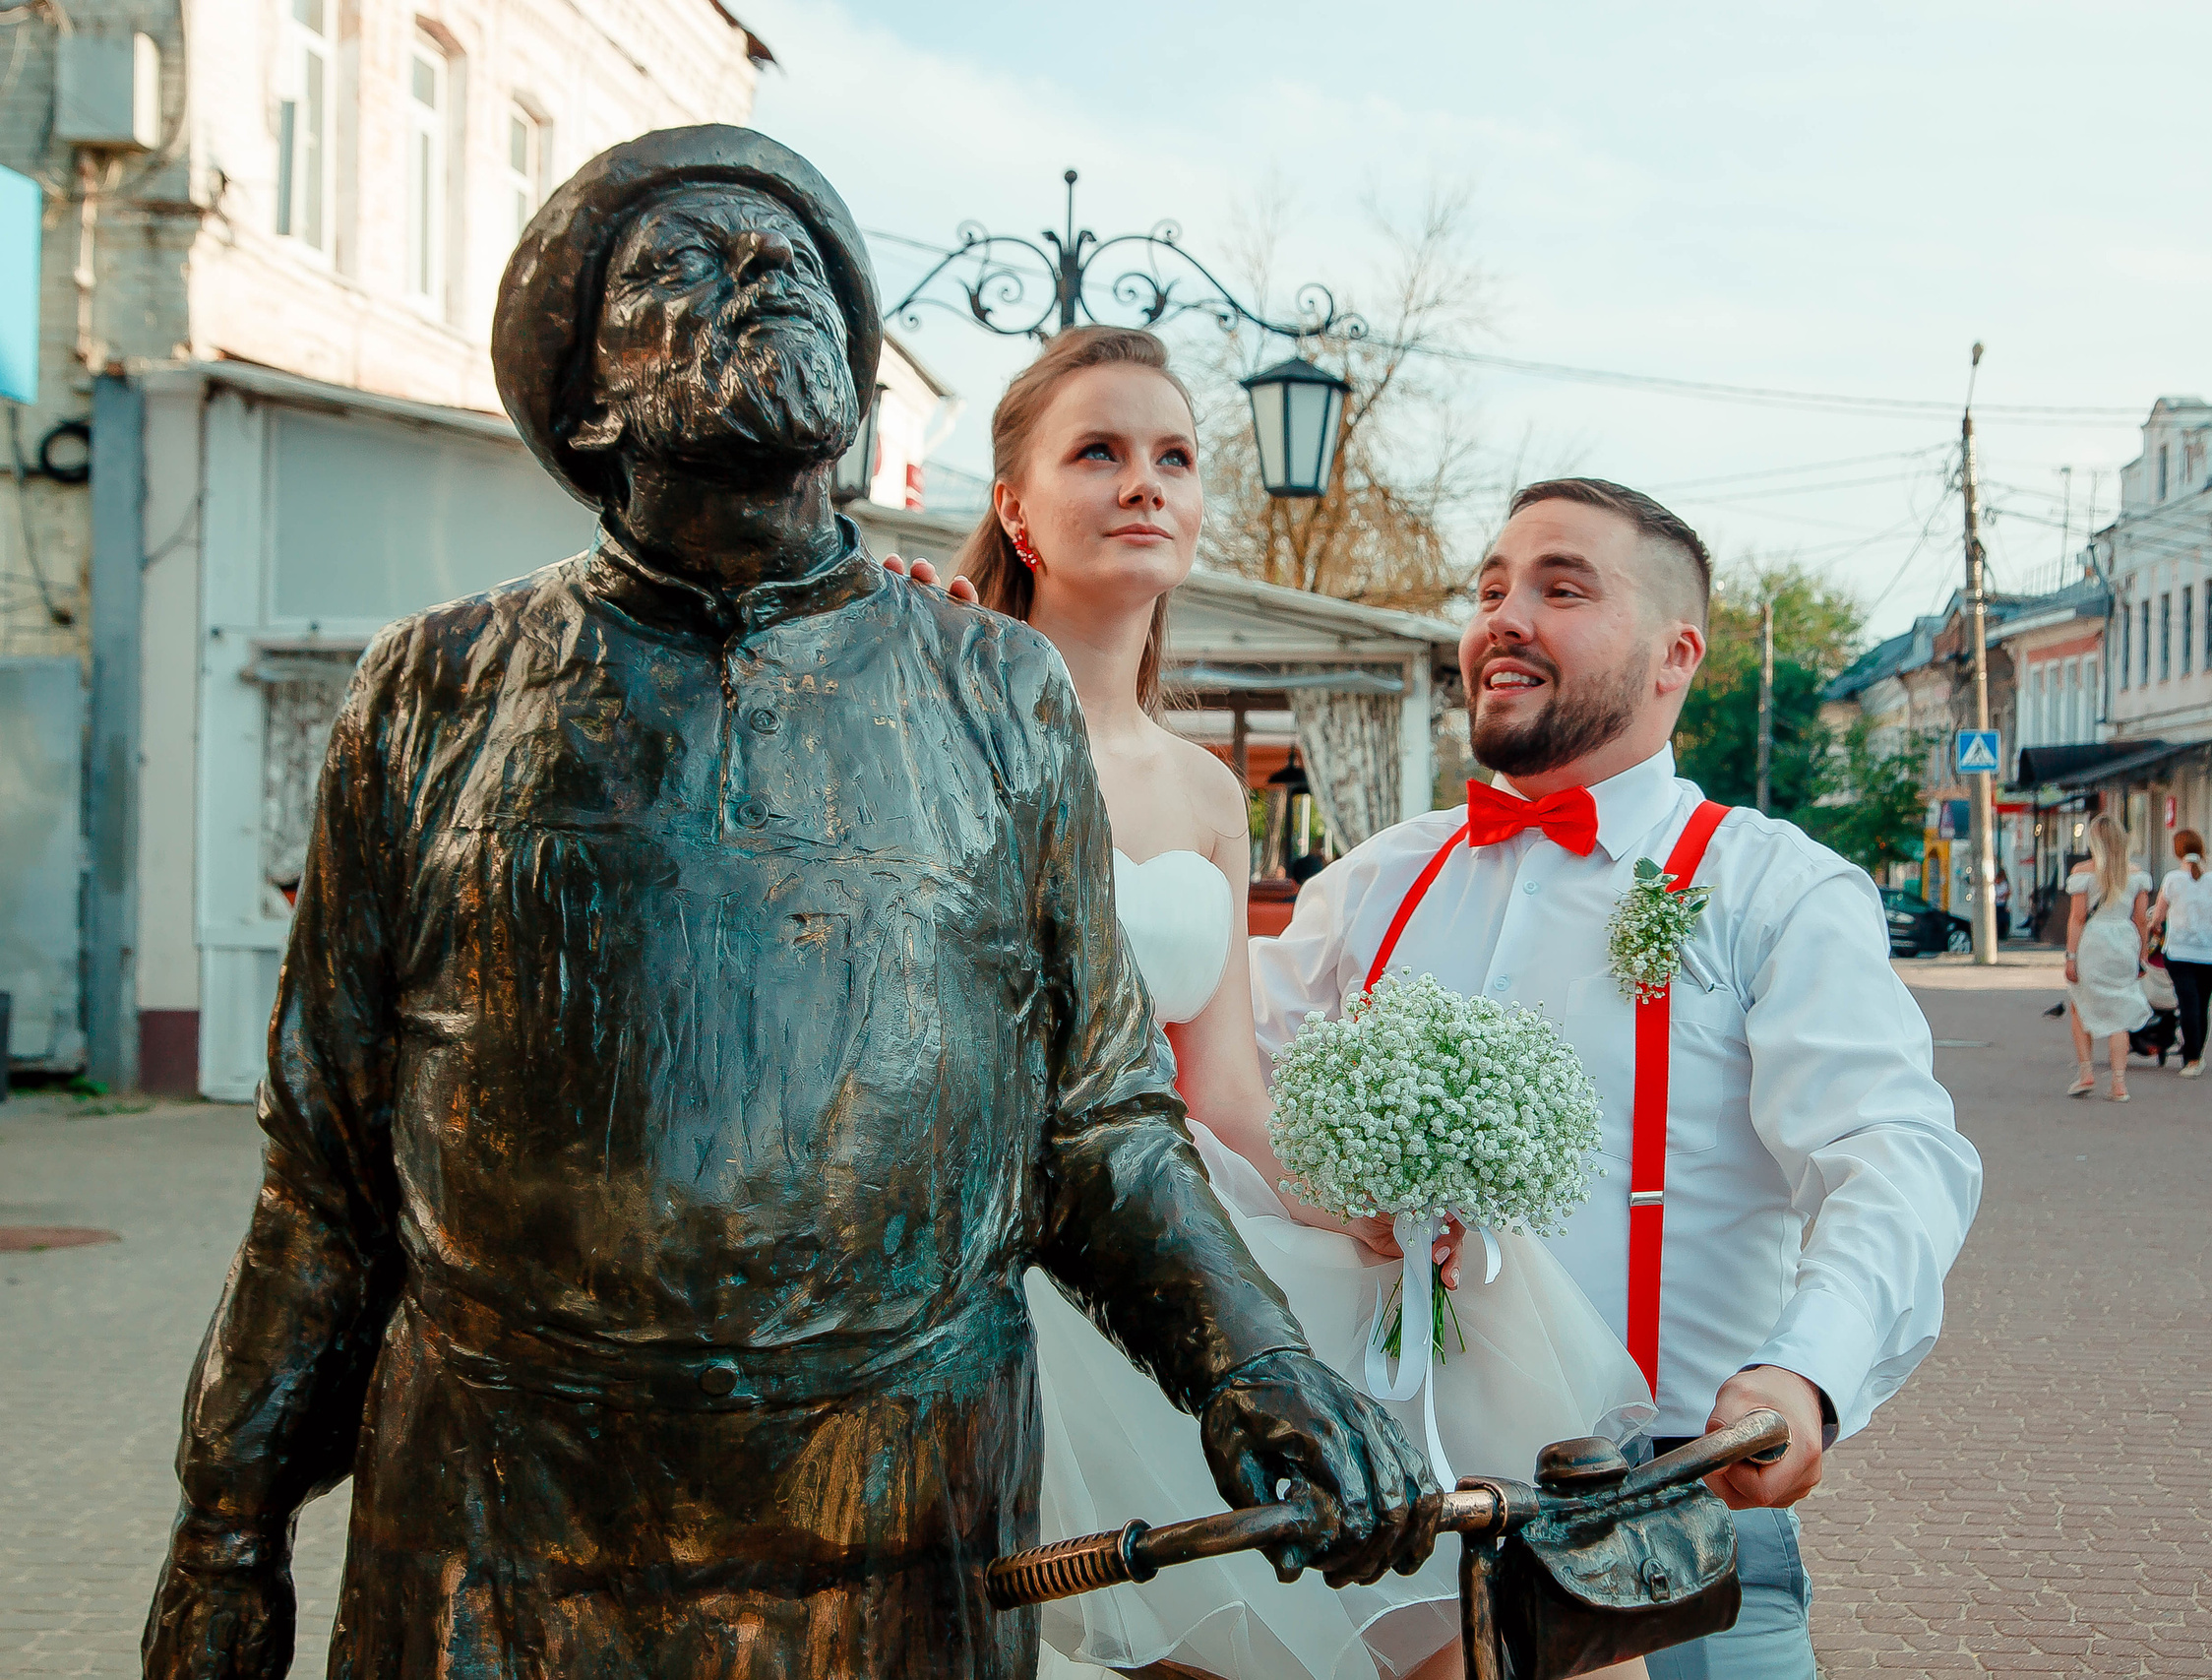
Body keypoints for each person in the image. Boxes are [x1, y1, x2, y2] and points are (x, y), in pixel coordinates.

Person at [141, 132, 1444, 1680]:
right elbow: (325, 1170)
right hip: (501, 1512)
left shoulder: (995, 692)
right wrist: (225, 1524)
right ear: (584, 398)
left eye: (798, 267)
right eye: (679, 265)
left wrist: (1257, 1359)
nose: (763, 278)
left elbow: (1100, 1117)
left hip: (888, 1506)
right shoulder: (434, 688)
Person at [923, 330, 1652, 1680]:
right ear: (1015, 507)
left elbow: (1228, 1096)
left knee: (1472, 1590)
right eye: (1099, 451)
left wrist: (1358, 1205)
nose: (1146, 481)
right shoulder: (930, 714)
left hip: (1173, 1206)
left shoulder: (1204, 789)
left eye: (1175, 457)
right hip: (994, 1246)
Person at [1248, 478, 1984, 1680]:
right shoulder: (1374, 883)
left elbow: (1896, 1158)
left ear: (1673, 656)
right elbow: (1220, 1115)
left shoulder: (1771, 894)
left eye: (1561, 587)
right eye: (1489, 589)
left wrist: (1805, 1374)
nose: (1503, 616)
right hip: (1386, 1540)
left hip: (1670, 1530)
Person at [2060, 814, 2152, 1101]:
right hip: (2124, 940)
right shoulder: (2136, 875)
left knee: (2079, 1005)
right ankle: (2119, 1084)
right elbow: (2140, 920)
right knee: (2120, 1014)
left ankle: (2086, 1072)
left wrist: (2071, 957)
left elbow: (2077, 919)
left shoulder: (2083, 873)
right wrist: (2143, 955)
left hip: (2094, 941)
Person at [2147, 828, 2212, 1077]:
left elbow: (2158, 917)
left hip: (2180, 952)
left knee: (2188, 1003)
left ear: (2177, 851)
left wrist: (2155, 928)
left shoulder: (2172, 879)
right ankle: (2197, 1056)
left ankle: (2192, 1060)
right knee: (2202, 1006)